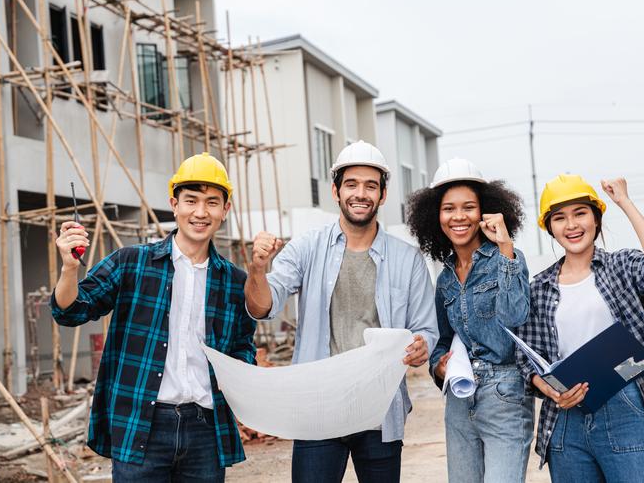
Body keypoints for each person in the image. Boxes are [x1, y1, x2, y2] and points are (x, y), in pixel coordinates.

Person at [50, 152, 256, 482]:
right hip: (142, 422)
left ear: (225, 210)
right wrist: (69, 268)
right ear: (174, 204)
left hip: (205, 427)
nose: (200, 212)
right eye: (191, 201)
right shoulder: (131, 263)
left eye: (212, 202)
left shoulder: (234, 281)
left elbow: (243, 347)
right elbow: (70, 310)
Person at [245, 140, 438, 483]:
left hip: (379, 411)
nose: (360, 193)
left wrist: (421, 345)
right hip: (319, 408)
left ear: (383, 195)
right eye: (351, 184)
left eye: (370, 186)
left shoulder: (408, 260)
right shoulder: (307, 247)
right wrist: (258, 269)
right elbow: (263, 306)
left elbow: (426, 330)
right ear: (335, 191)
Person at [516, 174, 644, 482]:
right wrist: (550, 389)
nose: (571, 225)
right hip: (564, 417)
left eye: (580, 213)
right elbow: (526, 359)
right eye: (559, 218)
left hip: (623, 404)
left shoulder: (621, 267)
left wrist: (624, 201)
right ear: (550, 228)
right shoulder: (539, 287)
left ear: (596, 218)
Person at [404, 158, 534, 483]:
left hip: (504, 393)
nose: (458, 217)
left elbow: (516, 317)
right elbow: (441, 340)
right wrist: (438, 367)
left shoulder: (508, 259)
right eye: (449, 209)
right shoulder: (445, 279)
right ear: (436, 216)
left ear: (485, 212)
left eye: (468, 207)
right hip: (459, 400)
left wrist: (505, 247)